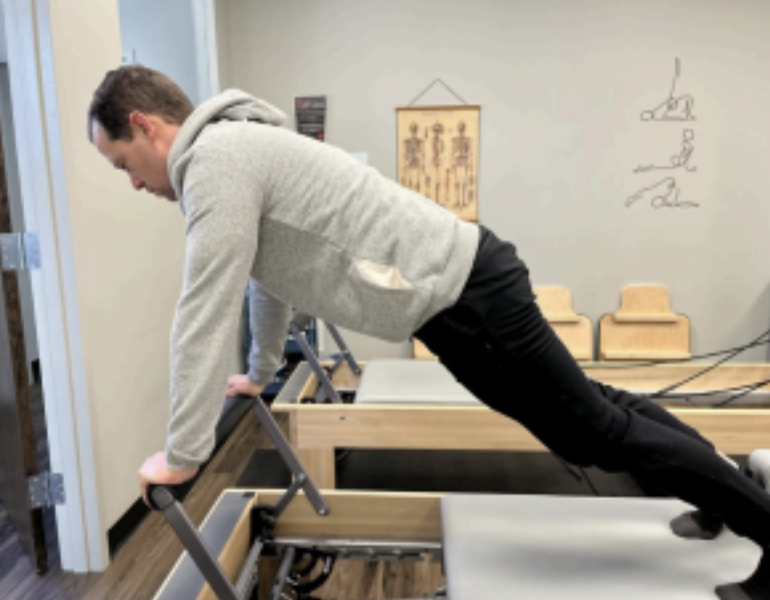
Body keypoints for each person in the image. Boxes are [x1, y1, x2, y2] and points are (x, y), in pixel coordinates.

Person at [87, 65, 768, 600]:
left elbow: (201, 307)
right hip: (461, 297)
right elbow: (265, 279)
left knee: (591, 431)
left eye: (123, 165)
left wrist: (182, 453)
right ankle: (716, 495)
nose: (134, 185)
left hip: (467, 298)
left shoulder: (217, 161)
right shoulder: (235, 150)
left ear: (146, 126)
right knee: (597, 413)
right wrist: (263, 371)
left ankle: (755, 519)